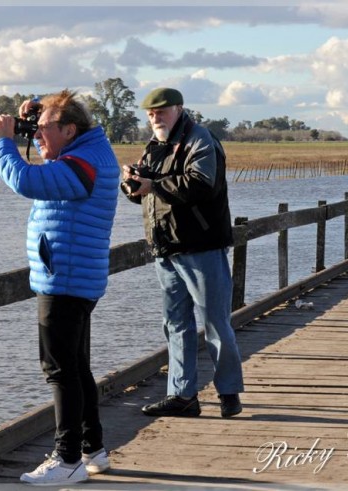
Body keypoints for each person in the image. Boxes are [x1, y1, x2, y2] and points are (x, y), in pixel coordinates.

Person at [0, 89, 119, 486]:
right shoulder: (85, 152)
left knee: (59, 368)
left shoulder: (83, 165)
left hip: (64, 278)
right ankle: (93, 450)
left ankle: (66, 460)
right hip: (72, 274)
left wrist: (3, 142)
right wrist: (34, 108)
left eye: (44, 129)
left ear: (69, 129)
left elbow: (25, 179)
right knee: (76, 366)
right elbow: (49, 142)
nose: (38, 136)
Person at [121, 87, 244, 419]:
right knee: (175, 323)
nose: (155, 117)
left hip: (201, 246)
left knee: (216, 321)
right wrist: (133, 184)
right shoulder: (155, 146)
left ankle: (229, 393)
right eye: (150, 113)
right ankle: (182, 395)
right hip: (166, 248)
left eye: (161, 111)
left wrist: (154, 184)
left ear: (179, 109)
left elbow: (203, 184)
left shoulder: (200, 140)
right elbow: (145, 195)